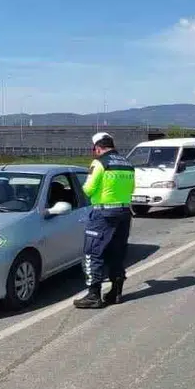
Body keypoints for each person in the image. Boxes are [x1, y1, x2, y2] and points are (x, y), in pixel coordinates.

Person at [75, 132, 135, 309]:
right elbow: (132, 188)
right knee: (117, 253)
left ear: (98, 148)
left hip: (103, 214)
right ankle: (116, 292)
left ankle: (94, 295)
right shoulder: (127, 164)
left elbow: (88, 188)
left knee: (93, 253)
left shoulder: (100, 162)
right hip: (124, 212)